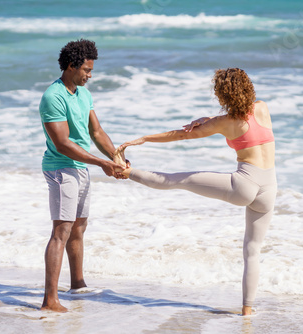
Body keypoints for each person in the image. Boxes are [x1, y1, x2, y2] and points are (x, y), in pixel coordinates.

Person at [115, 68, 277, 316]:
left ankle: (127, 173)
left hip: (243, 184)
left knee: (179, 180)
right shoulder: (262, 108)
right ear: (248, 87)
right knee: (252, 250)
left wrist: (145, 138)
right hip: (269, 187)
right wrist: (207, 118)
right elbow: (243, 113)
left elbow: (180, 135)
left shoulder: (224, 122)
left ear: (223, 95)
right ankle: (247, 310)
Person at [39, 39, 128, 312]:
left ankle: (77, 284)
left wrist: (116, 156)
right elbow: (63, 143)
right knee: (61, 231)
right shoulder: (53, 97)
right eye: (87, 70)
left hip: (80, 166)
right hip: (61, 167)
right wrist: (101, 163)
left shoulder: (82, 94)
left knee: (78, 228)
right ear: (71, 66)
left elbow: (96, 132)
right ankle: (49, 300)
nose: (90, 75)